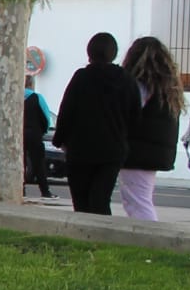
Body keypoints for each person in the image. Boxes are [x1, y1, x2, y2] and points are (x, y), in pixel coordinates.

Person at [53, 32, 142, 216]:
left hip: (80, 149)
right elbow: (135, 117)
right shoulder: (127, 80)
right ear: (114, 53)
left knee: (81, 200)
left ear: (90, 52)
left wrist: (59, 139)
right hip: (112, 150)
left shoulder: (81, 77)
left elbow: (66, 110)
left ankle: (82, 237)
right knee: (101, 199)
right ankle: (101, 237)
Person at [119, 36, 183, 222]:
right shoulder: (165, 88)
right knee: (140, 197)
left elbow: (128, 113)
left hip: (137, 152)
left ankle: (148, 240)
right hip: (153, 152)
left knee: (136, 201)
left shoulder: (139, 85)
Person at [22, 75, 55, 199]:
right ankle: (45, 191)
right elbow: (46, 117)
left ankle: (21, 189)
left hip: (20, 135)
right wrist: (44, 130)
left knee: (21, 163)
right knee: (38, 163)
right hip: (35, 135)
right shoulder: (37, 97)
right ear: (31, 84)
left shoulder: (15, 97)